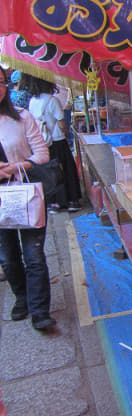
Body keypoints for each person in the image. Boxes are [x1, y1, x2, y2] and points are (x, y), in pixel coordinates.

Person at [0, 66, 57, 330]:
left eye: (0, 82)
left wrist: (17, 166)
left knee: (33, 255)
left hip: (24, 192)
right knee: (8, 257)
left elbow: (42, 154)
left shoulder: (22, 118)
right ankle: (21, 298)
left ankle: (39, 311)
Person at [28, 77, 82, 212]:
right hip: (58, 140)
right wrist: (66, 132)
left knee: (50, 171)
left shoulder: (32, 101)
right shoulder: (52, 100)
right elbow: (61, 122)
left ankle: (54, 203)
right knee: (67, 169)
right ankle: (71, 201)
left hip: (42, 142)